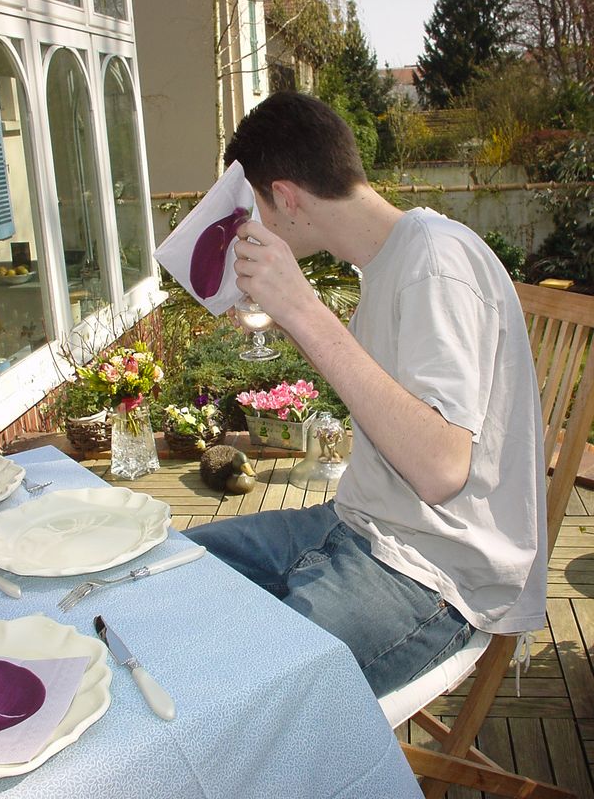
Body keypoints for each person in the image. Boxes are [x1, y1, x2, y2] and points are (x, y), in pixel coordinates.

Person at [184, 91, 547, 699]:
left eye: (254, 209)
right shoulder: (390, 262)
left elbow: (441, 469)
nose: (251, 227)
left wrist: (304, 307)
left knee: (240, 686)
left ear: (287, 197)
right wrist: (289, 315)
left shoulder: (437, 262)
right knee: (165, 571)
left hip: (434, 569)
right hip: (357, 525)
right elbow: (378, 397)